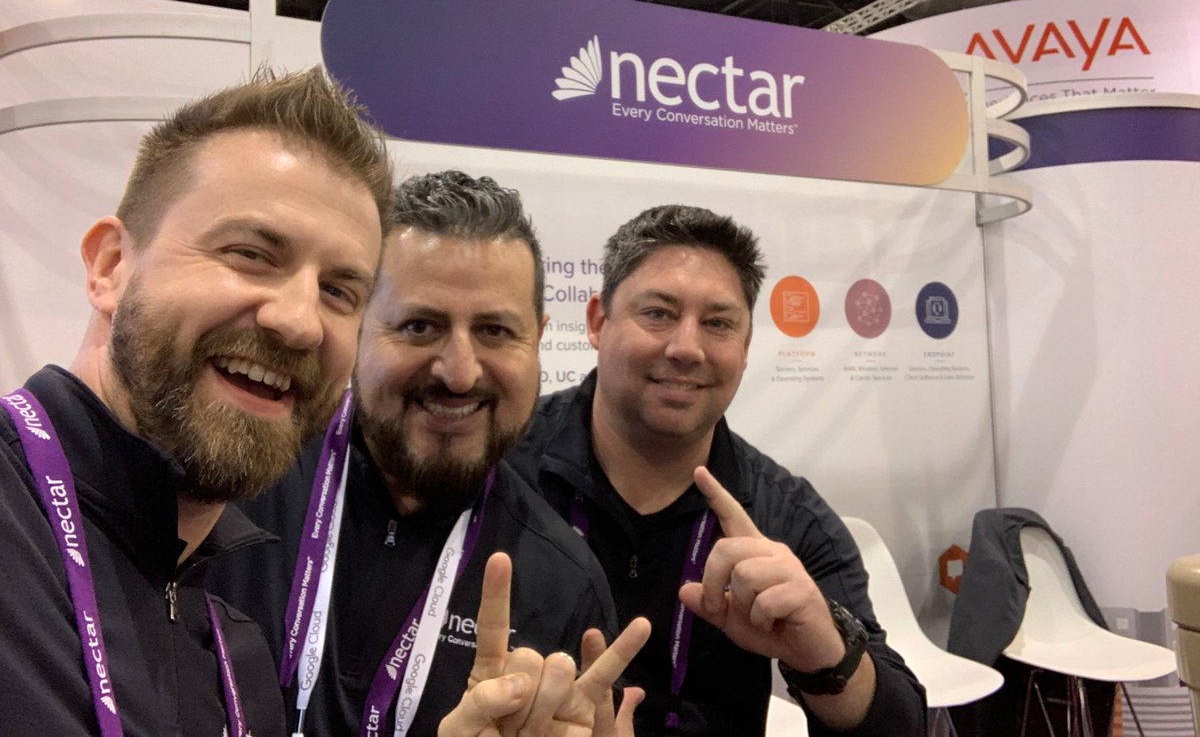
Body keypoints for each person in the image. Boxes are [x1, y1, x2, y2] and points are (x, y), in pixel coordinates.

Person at [0, 67, 394, 737]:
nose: (301, 321)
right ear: (111, 266)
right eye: (251, 254)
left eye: (339, 292)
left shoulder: (236, 661)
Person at [209, 170, 643, 736]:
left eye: (494, 331)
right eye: (419, 326)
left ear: (537, 339)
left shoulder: (564, 584)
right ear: (358, 327)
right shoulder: (231, 483)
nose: (459, 373)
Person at [508, 205, 927, 736]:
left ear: (745, 348)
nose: (687, 348)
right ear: (597, 321)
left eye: (718, 324)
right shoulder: (501, 467)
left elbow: (902, 724)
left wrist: (825, 656)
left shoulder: (786, 517)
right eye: (658, 313)